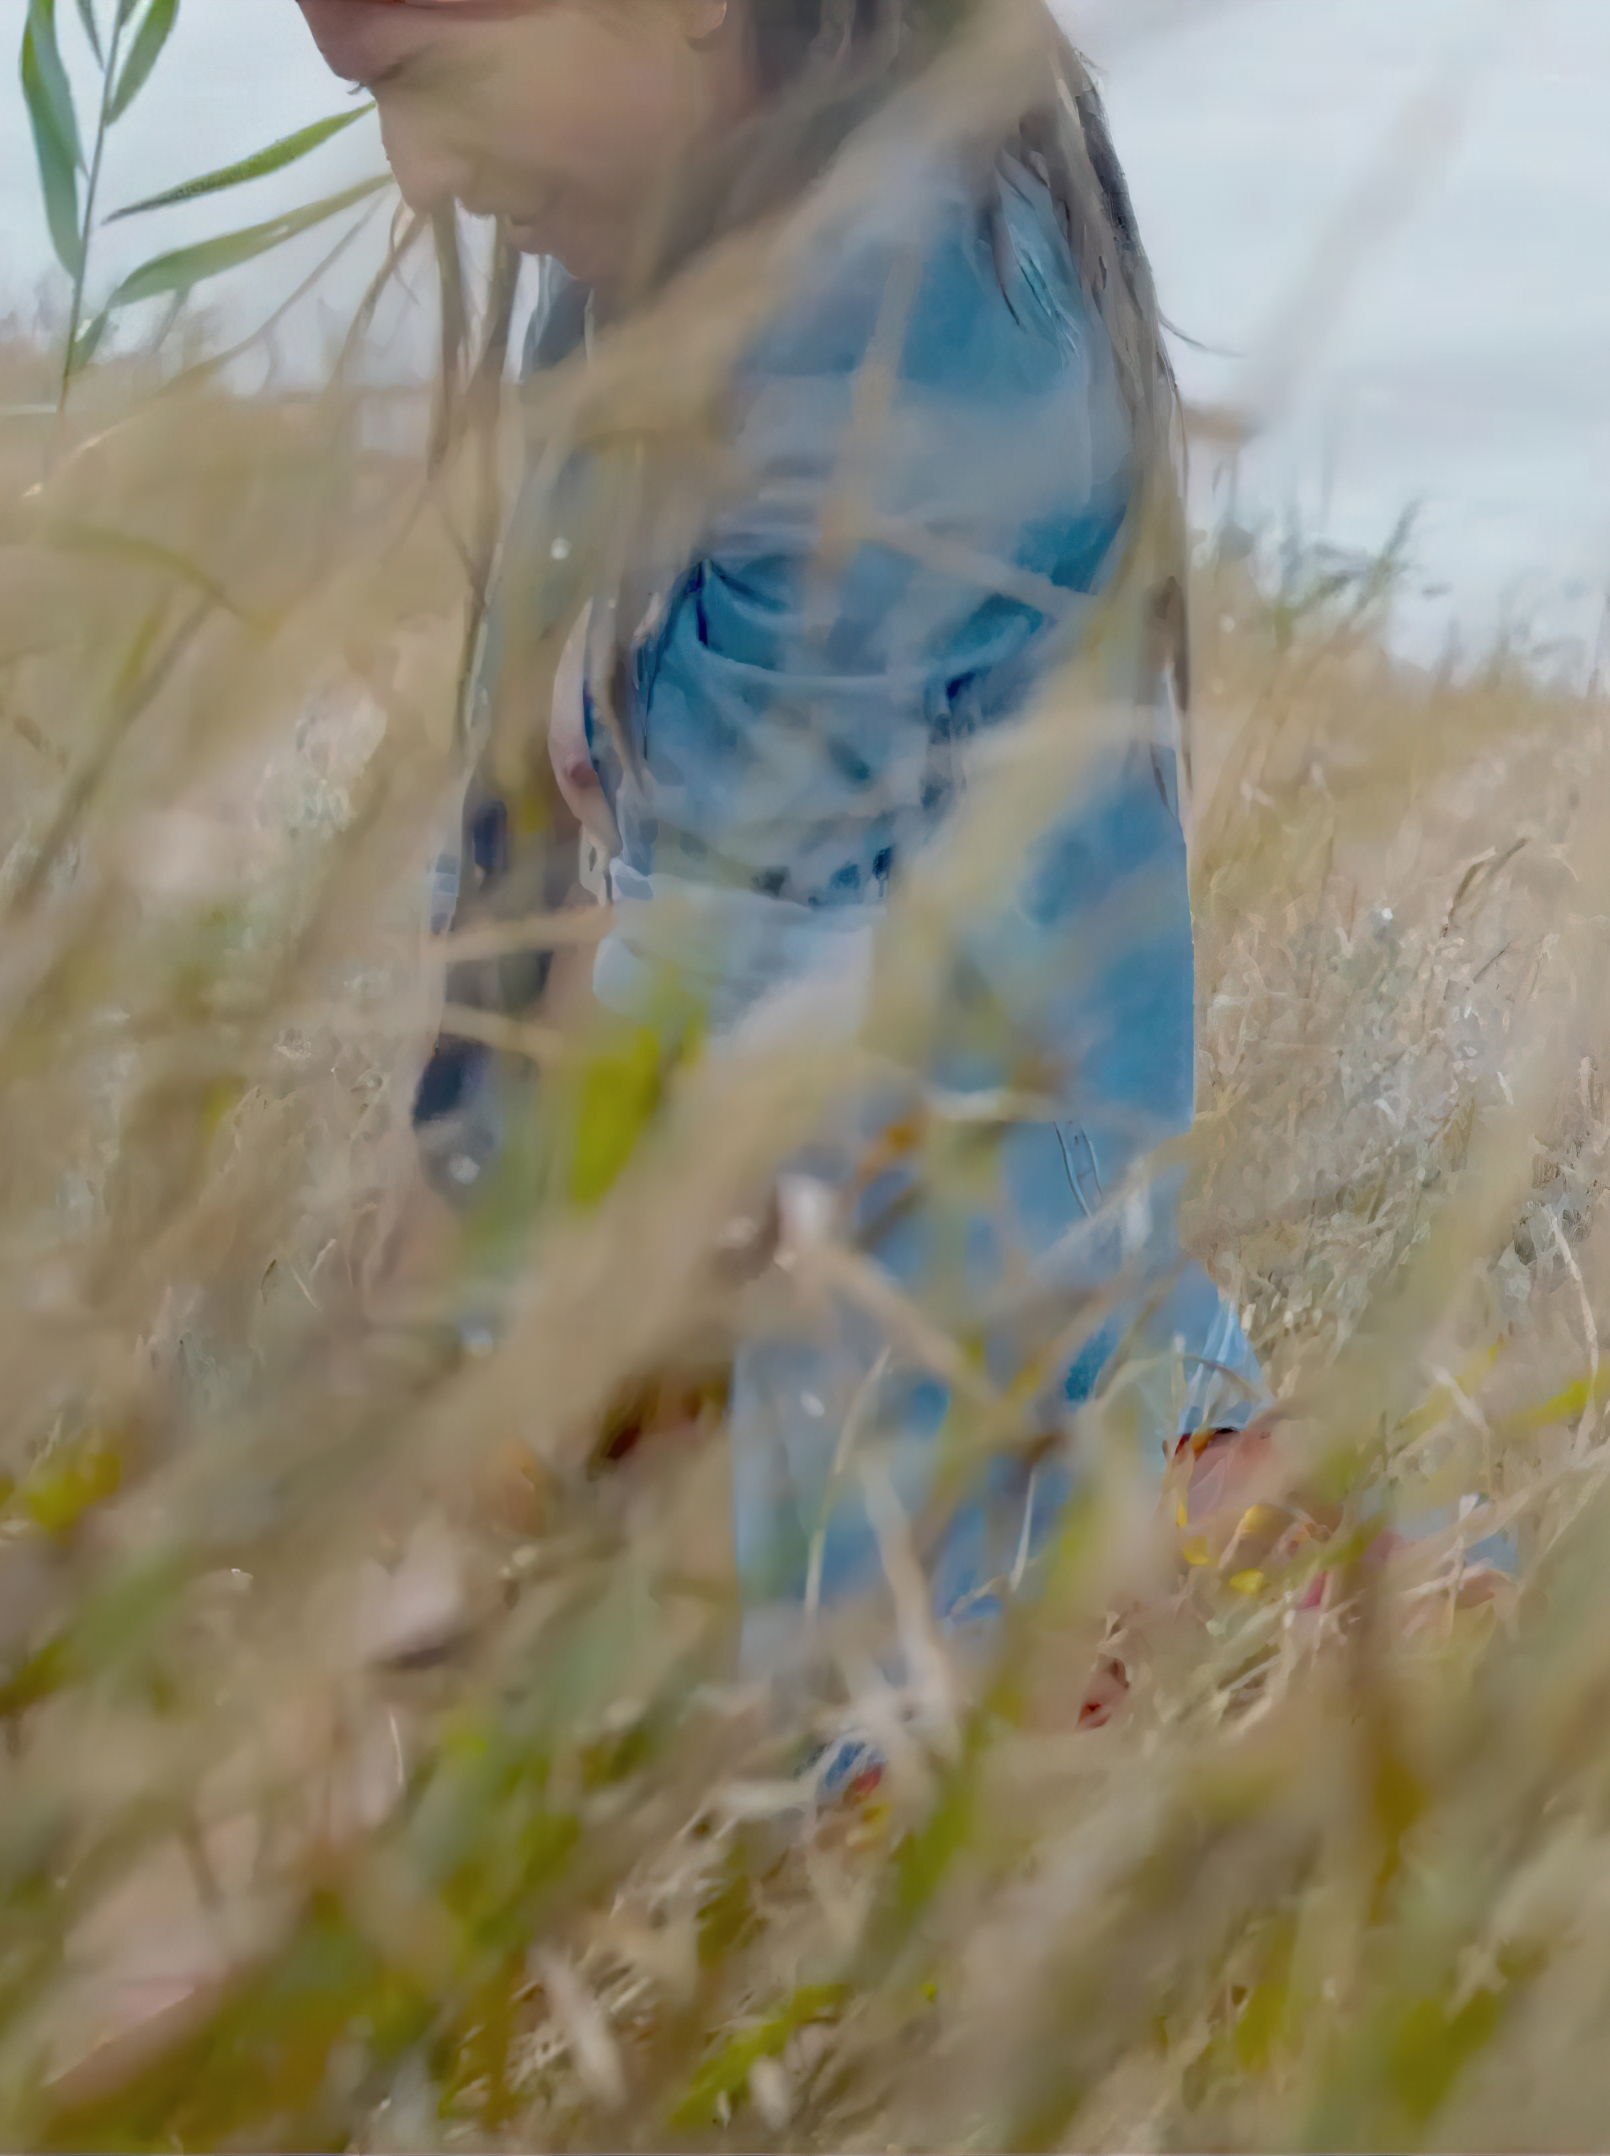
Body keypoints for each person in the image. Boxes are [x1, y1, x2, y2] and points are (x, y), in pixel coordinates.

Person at [294, 0, 1267, 1675]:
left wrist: (457, 1481)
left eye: (432, 79)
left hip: (939, 1386)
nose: (417, 175)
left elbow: (724, 1012)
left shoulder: (918, 322)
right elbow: (528, 879)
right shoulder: (635, 264)